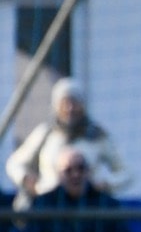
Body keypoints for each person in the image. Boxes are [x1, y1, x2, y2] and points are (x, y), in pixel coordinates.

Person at [6, 77, 132, 210]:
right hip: (49, 207)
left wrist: (106, 184)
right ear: (56, 105)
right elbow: (14, 164)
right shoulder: (45, 133)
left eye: (75, 102)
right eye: (65, 103)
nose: (70, 108)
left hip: (87, 208)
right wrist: (26, 179)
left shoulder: (97, 137)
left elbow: (126, 173)